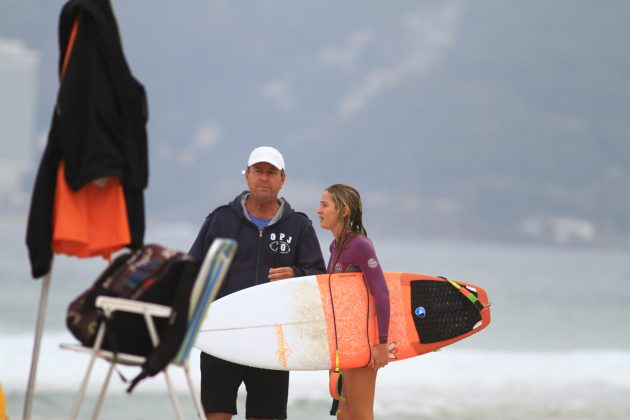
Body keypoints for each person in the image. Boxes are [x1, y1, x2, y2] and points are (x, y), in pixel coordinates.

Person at [189, 146, 326, 420]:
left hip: (273, 341)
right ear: (247, 176)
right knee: (216, 415)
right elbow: (192, 271)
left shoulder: (298, 226)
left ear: (282, 179)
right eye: (258, 171)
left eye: (271, 172)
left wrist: (296, 274)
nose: (264, 178)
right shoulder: (221, 219)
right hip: (222, 335)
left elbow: (319, 278)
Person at [316, 184, 390, 420]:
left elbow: (382, 292)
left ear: (343, 210)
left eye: (325, 205)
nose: (318, 210)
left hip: (363, 343)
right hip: (344, 344)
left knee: (360, 414)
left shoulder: (360, 245)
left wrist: (381, 343)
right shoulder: (336, 246)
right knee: (344, 415)